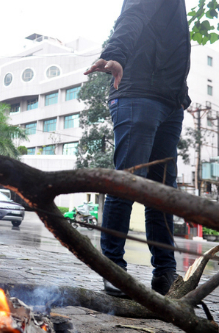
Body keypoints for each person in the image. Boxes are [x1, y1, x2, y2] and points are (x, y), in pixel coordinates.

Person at [84, 0, 191, 297]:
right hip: (138, 95)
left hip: (170, 103)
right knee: (128, 182)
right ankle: (113, 268)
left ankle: (165, 273)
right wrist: (115, 55)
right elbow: (133, 15)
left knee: (163, 192)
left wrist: (180, 95)